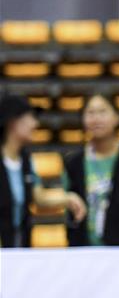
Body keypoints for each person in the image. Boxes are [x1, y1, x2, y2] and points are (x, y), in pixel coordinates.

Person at [62, 94, 119, 246]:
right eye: (90, 113)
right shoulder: (73, 163)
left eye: (102, 112)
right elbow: (67, 209)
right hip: (83, 251)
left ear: (117, 117)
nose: (96, 119)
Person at [0, 94, 87, 247]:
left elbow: (39, 197)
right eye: (30, 118)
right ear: (13, 122)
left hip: (18, 246)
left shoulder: (25, 160)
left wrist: (68, 199)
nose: (35, 124)